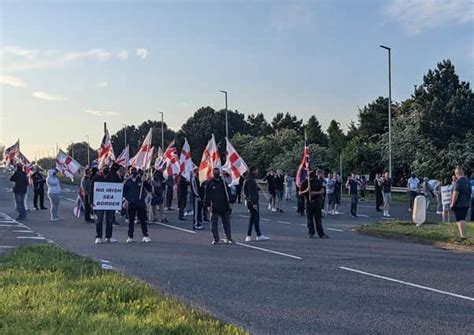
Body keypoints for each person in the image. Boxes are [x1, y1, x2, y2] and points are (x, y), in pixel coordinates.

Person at [204, 168, 234, 245]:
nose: (216, 173)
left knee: (226, 223)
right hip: (214, 207)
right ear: (213, 173)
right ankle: (216, 239)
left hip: (224, 206)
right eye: (215, 172)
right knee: (214, 223)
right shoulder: (210, 183)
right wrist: (207, 205)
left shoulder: (223, 182)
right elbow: (207, 195)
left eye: (218, 172)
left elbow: (229, 193)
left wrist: (230, 203)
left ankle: (228, 237)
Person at [123, 167, 152, 243]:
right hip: (131, 204)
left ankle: (145, 235)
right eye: (132, 171)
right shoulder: (127, 181)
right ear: (129, 172)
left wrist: (147, 182)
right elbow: (124, 192)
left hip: (140, 203)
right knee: (131, 221)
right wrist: (128, 200)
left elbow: (149, 189)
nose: (133, 172)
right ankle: (130, 236)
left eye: (134, 171)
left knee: (143, 220)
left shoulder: (141, 180)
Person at [91, 166, 118, 244]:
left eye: (108, 169)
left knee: (110, 220)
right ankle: (98, 236)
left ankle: (108, 237)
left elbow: (117, 188)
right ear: (101, 170)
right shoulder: (96, 178)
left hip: (110, 203)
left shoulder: (112, 178)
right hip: (99, 203)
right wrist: (91, 202)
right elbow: (92, 190)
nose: (107, 171)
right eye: (105, 169)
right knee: (99, 220)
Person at [299, 169, 328, 239]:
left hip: (316, 202)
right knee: (309, 219)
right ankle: (311, 233)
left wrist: (314, 193)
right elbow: (299, 193)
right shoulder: (305, 182)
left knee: (318, 219)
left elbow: (322, 190)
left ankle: (321, 234)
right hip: (308, 202)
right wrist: (306, 190)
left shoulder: (317, 181)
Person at [243, 166, 269, 242]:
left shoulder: (248, 180)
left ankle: (254, 234)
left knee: (253, 218)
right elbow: (251, 193)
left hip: (249, 201)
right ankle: (254, 235)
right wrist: (254, 203)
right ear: (253, 171)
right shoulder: (250, 180)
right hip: (252, 202)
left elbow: (249, 190)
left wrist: (257, 188)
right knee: (255, 218)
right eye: (256, 171)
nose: (257, 172)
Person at [450, 167, 471, 242]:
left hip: (459, 204)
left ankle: (463, 237)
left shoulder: (458, 182)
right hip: (466, 203)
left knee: (460, 219)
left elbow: (456, 193)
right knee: (462, 219)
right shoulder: (467, 181)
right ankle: (462, 235)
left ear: (456, 174)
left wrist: (452, 203)